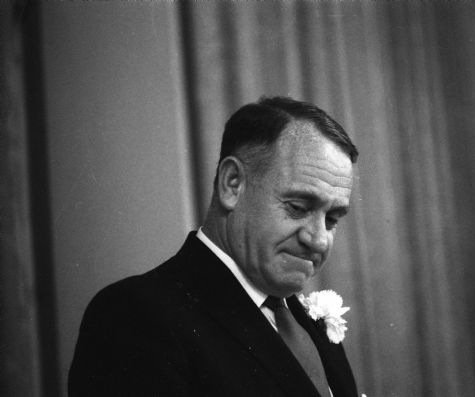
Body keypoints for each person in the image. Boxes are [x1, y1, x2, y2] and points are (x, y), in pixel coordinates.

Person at [68, 96, 360, 396]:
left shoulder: (306, 323)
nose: (319, 239)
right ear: (232, 184)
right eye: (298, 207)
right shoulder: (135, 317)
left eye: (332, 219)